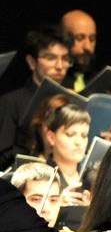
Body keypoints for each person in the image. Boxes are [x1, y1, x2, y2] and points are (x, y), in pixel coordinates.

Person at [0, 27, 71, 170]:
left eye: (65, 59)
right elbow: (2, 157)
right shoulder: (12, 101)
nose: (59, 66)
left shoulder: (70, 101)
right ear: (32, 62)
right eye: (50, 58)